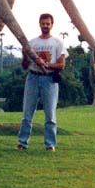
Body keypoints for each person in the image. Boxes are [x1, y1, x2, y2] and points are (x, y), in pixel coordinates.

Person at [16, 12, 66, 151]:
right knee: (27, 113)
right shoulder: (32, 43)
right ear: (39, 24)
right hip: (32, 77)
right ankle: (22, 142)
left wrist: (45, 64)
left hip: (49, 79)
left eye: (47, 23)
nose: (45, 26)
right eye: (43, 23)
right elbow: (24, 66)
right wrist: (25, 56)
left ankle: (50, 144)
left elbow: (61, 65)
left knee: (50, 114)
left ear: (52, 25)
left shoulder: (58, 43)